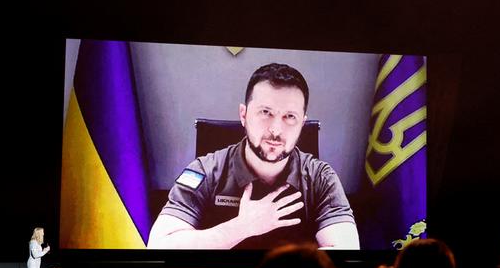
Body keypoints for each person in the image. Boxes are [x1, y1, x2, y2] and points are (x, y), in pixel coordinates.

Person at [148, 63, 359, 250]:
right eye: (265, 112)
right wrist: (241, 227)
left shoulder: (320, 177)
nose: (276, 130)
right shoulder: (204, 170)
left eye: (289, 117)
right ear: (243, 115)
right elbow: (159, 245)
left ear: (302, 123)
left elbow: (347, 247)